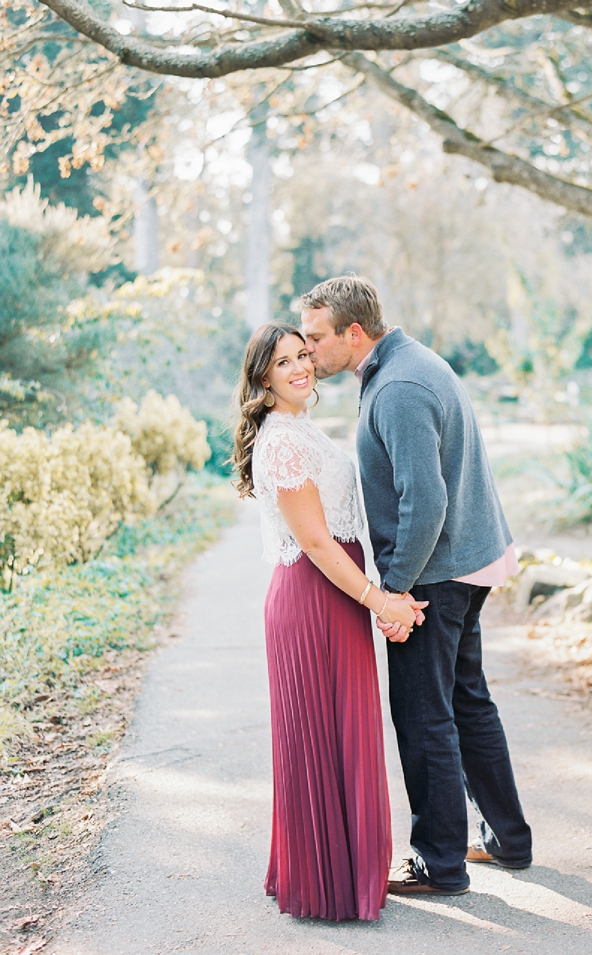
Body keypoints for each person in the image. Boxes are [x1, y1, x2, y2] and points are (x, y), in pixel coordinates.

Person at [298, 276, 533, 895]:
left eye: (317, 338)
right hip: (464, 560)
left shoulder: (398, 386)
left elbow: (425, 500)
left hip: (435, 573)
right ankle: (509, 838)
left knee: (425, 716)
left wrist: (394, 590)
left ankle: (440, 863)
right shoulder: (405, 363)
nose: (308, 350)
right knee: (466, 701)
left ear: (354, 332)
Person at [233, 322, 424, 920]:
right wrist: (382, 600)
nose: (300, 367)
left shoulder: (298, 427)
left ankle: (337, 871)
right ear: (262, 375)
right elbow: (317, 543)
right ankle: (325, 884)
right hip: (313, 603)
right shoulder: (284, 441)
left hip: (335, 601)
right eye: (284, 361)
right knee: (321, 738)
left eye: (303, 355)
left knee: (344, 734)